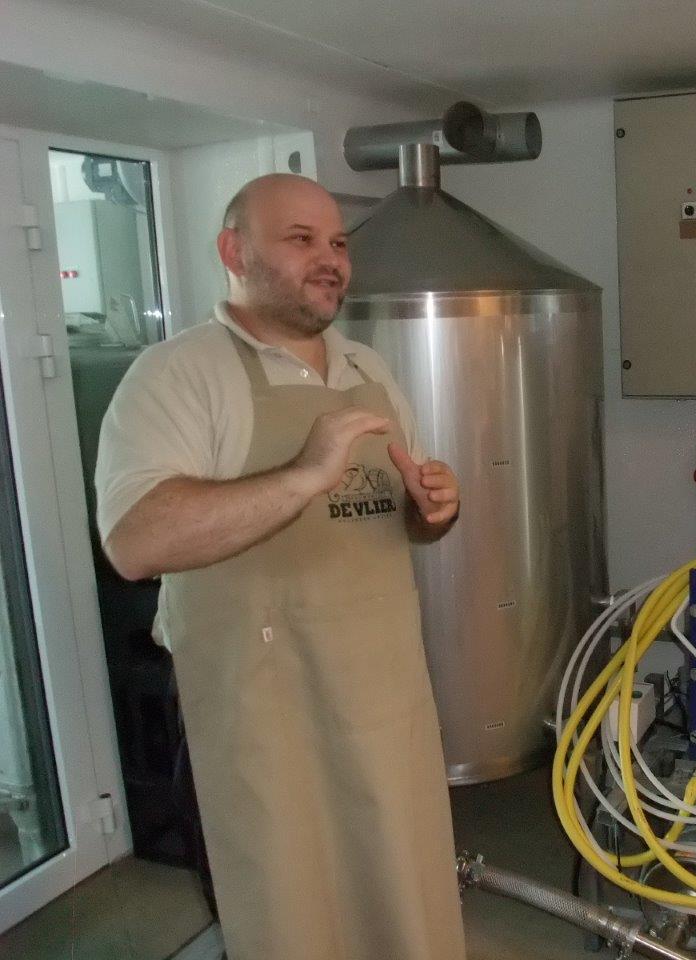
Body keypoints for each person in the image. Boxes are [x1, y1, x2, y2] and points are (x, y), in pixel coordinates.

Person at [95, 174, 466, 960]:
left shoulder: (369, 369)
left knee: (402, 905)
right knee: (290, 918)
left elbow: (394, 519)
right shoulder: (176, 375)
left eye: (337, 243)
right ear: (234, 251)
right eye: (301, 239)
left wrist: (433, 511)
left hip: (385, 705)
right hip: (265, 724)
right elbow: (133, 541)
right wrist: (303, 475)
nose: (330, 259)